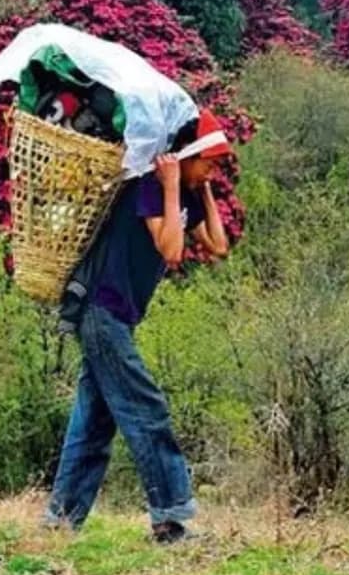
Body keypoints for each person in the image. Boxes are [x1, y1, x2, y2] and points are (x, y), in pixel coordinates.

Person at [42, 110, 233, 543]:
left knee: (93, 423)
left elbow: (219, 246)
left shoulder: (186, 195)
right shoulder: (151, 187)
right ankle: (169, 521)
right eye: (209, 161)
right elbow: (171, 250)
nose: (214, 169)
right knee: (146, 410)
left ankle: (59, 523)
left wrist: (202, 189)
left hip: (117, 319)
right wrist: (169, 186)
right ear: (186, 155)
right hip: (98, 309)